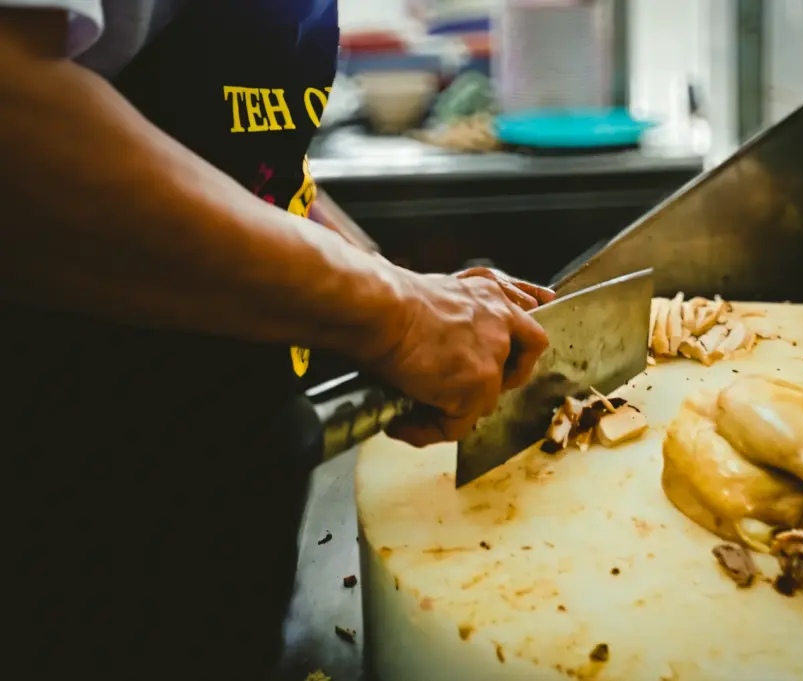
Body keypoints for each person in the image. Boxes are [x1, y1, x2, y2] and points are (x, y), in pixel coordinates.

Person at [0, 2, 552, 679]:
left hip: (220, 499)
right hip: (62, 515)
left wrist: (387, 283)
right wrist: (398, 312)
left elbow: (245, 170)